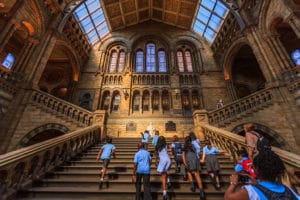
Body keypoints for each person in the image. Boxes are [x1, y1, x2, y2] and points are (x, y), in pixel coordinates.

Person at [224, 150, 300, 200]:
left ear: (257, 169)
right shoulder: (290, 190)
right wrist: (258, 185)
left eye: (253, 167)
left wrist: (233, 183)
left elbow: (228, 198)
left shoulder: (250, 191)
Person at [182, 136, 205, 200]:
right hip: (195, 160)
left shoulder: (184, 146)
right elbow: (198, 152)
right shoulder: (194, 145)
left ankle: (192, 186)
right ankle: (202, 192)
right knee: (197, 175)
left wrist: (185, 163)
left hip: (189, 160)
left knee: (189, 172)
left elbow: (183, 156)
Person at [156, 136, 172, 200]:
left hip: (162, 161)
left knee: (163, 177)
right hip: (168, 160)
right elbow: (171, 147)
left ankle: (164, 193)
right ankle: (168, 180)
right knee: (165, 173)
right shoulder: (166, 145)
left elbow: (157, 155)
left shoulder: (157, 146)